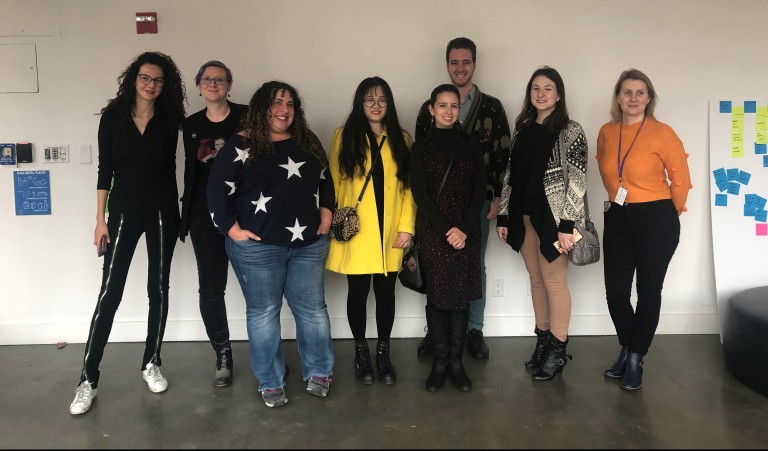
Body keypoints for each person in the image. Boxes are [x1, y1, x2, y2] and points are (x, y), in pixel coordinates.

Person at [69, 51, 186, 415]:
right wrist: (99, 219)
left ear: (166, 86)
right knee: (110, 292)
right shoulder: (113, 118)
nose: (151, 85)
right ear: (134, 79)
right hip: (121, 213)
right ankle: (87, 379)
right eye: (145, 78)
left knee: (159, 289)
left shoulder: (171, 119)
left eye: (158, 80)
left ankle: (151, 362)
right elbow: (105, 171)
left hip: (163, 212)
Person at [207, 81, 335, 408]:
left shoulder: (307, 141)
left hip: (308, 243)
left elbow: (326, 180)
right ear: (262, 107)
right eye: (277, 103)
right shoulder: (240, 145)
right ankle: (270, 379)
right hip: (257, 248)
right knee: (264, 313)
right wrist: (231, 230)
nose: (284, 110)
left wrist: (326, 213)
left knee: (313, 310)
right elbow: (216, 192)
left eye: (290, 104)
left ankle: (320, 370)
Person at [415, 37, 512, 360]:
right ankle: (437, 332)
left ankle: (473, 329)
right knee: (436, 266)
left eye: (466, 61)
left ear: (474, 64)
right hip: (436, 211)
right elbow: (422, 163)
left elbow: (503, 155)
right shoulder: (428, 109)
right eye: (454, 62)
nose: (460, 67)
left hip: (478, 205)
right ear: (447, 65)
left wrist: (499, 197)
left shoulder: (492, 108)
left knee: (472, 266)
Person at [596, 68, 691, 391]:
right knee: (617, 292)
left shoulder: (663, 133)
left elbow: (680, 180)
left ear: (649, 98)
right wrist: (618, 201)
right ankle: (627, 344)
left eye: (640, 92)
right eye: (627, 92)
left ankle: (636, 356)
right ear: (618, 98)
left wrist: (668, 214)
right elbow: (606, 170)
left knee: (649, 292)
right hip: (619, 217)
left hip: (657, 219)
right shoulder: (607, 132)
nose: (633, 98)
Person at [496, 66, 588, 381]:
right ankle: (543, 341)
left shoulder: (571, 130)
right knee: (536, 279)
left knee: (554, 282)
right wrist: (504, 215)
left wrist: (567, 224)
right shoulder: (522, 128)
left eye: (548, 88)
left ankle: (558, 349)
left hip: (554, 218)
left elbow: (578, 181)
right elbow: (511, 176)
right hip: (524, 214)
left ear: (558, 94)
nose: (541, 93)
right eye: (536, 88)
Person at [326, 77, 415, 386]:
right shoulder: (344, 136)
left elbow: (408, 189)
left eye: (382, 100)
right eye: (369, 100)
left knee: (387, 293)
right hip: (357, 230)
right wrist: (331, 222)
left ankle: (383, 353)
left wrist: (407, 227)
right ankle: (361, 352)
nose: (376, 106)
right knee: (359, 292)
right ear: (360, 104)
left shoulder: (401, 138)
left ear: (389, 104)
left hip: (390, 230)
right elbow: (335, 183)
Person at [410, 84, 486, 392]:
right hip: (433, 230)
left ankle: (457, 362)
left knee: (460, 299)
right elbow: (420, 194)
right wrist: (446, 230)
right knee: (438, 298)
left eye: (453, 106)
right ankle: (440, 362)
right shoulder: (420, 147)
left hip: (466, 231)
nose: (448, 111)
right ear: (431, 109)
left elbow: (480, 190)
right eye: (442, 105)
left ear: (459, 110)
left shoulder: (472, 145)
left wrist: (464, 229)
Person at [179, 60, 247, 387]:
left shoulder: (248, 118)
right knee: (210, 288)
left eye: (220, 79)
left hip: (246, 214)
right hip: (203, 216)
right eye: (207, 79)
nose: (214, 84)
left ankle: (269, 352)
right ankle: (223, 354)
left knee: (262, 289)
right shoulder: (191, 126)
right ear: (199, 85)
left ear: (229, 84)